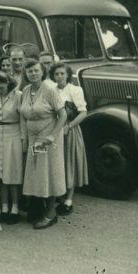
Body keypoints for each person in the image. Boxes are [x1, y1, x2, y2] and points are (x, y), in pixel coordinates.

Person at [20, 58, 67, 230]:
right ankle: (38, 210)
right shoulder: (25, 90)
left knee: (50, 173)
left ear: (42, 72)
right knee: (36, 173)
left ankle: (50, 214)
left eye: (36, 70)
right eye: (30, 71)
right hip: (33, 138)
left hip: (48, 138)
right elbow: (23, 115)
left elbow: (62, 115)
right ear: (26, 73)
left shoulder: (49, 89)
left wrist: (53, 136)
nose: (33, 74)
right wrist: (25, 138)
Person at [0, 72, 24, 224]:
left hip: (13, 134)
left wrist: (23, 139)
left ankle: (14, 208)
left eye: (1, 87)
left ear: (8, 83)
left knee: (12, 173)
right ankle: (4, 207)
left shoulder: (18, 96)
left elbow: (22, 119)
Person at [51, 63, 89, 214]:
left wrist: (69, 126)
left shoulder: (75, 90)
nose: (59, 76)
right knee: (56, 163)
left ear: (67, 75)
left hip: (69, 129)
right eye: (56, 74)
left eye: (62, 73)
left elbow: (83, 112)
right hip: (54, 129)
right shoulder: (51, 89)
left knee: (69, 162)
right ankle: (57, 195)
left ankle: (69, 199)